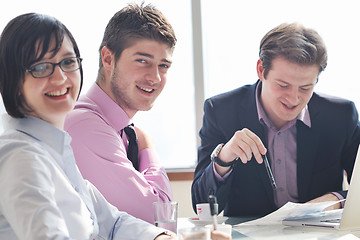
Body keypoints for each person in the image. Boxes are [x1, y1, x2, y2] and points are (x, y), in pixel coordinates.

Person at [0, 12, 176, 239]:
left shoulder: (56, 150)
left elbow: (112, 222)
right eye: (41, 67)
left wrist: (160, 237)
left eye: (67, 62)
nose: (61, 78)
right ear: (11, 79)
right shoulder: (21, 156)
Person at [191, 22, 360, 218]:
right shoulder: (221, 111)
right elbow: (202, 208)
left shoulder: (340, 115)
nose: (293, 99)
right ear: (261, 70)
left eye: (305, 88)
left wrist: (335, 199)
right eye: (283, 85)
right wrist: (224, 158)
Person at [64, 3, 174, 224]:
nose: (155, 78)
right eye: (142, 60)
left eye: (163, 65)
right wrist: (148, 146)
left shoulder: (121, 129)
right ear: (108, 58)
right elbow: (157, 217)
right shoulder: (84, 125)